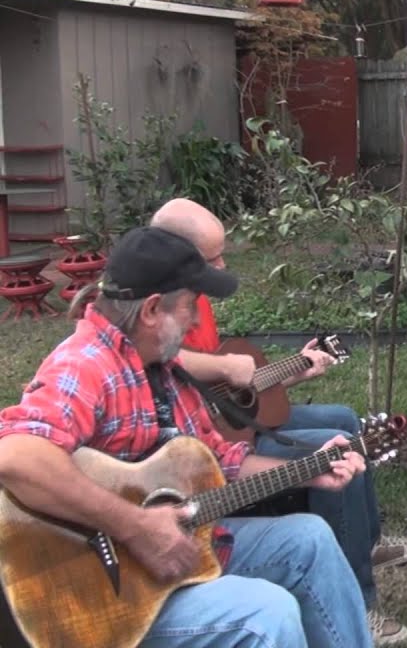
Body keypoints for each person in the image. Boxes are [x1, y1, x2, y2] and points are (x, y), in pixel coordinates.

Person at [0, 226, 373, 647]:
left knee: (310, 538)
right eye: (191, 306)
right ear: (152, 310)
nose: (197, 319)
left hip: (185, 550)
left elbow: (219, 462)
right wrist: (137, 526)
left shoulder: (164, 366)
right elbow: (15, 456)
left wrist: (309, 470)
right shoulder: (85, 363)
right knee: (265, 612)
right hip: (100, 601)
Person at [148, 198, 407, 645]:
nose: (221, 265)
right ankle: (358, 596)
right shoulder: (137, 336)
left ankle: (364, 543)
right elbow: (182, 367)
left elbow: (225, 401)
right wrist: (226, 371)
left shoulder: (187, 306)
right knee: (334, 443)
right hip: (206, 452)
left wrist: (290, 373)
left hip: (224, 430)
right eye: (211, 258)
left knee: (341, 421)